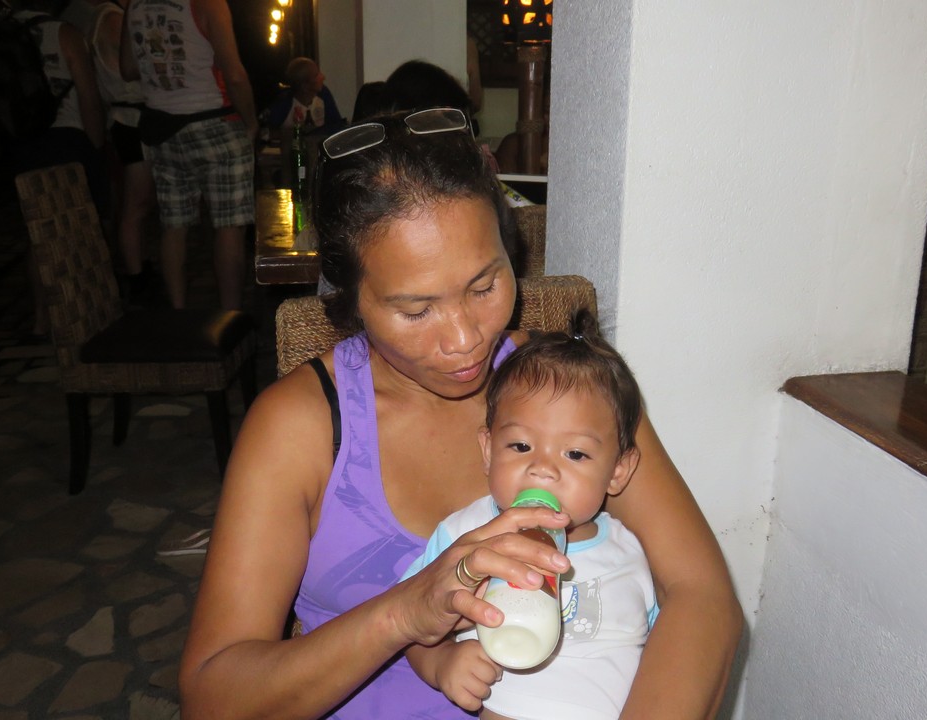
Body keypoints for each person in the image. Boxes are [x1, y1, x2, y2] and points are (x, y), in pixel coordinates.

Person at [179, 107, 742, 719]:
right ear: (350, 300)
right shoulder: (301, 426)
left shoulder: (572, 390)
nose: (466, 339)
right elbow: (214, 697)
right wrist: (404, 612)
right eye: (416, 310)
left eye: (484, 286)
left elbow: (701, 595)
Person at [401, 311, 654, 719]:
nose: (543, 469)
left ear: (617, 471)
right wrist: (442, 662)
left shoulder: (629, 552)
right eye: (520, 447)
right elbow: (411, 624)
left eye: (575, 454)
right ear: (488, 450)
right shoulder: (465, 534)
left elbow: (662, 644)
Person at [121, 0, 258, 310]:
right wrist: (250, 123)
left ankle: (178, 311)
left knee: (174, 225)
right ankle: (230, 315)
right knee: (229, 225)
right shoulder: (209, 3)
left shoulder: (135, 4)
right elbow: (234, 74)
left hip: (163, 126)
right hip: (213, 119)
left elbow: (128, 68)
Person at [8, 0, 108, 336]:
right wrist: (96, 146)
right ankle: (80, 310)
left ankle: (41, 316)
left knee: (35, 232)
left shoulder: (3, 31)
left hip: (22, 141)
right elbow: (89, 97)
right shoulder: (64, 33)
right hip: (66, 139)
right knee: (78, 226)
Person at [88, 0, 158, 303]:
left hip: (129, 119)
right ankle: (137, 276)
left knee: (139, 202)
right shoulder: (114, 19)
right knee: (135, 204)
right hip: (130, 119)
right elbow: (136, 66)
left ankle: (141, 266)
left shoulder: (108, 17)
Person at [264, 57, 347, 136]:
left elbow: (336, 125)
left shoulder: (323, 94)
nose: (323, 77)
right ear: (304, 86)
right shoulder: (284, 103)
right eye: (316, 75)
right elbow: (269, 131)